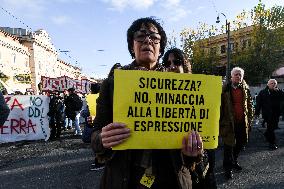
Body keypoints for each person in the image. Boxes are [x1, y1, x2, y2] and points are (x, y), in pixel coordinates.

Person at [91, 17, 203, 189]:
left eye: (154, 37)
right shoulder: (113, 83)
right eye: (141, 36)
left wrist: (192, 153)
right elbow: (95, 134)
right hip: (125, 179)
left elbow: (194, 135)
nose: (148, 41)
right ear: (131, 45)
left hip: (171, 177)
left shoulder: (179, 85)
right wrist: (102, 139)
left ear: (160, 47)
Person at [162, 47, 217, 189]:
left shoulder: (201, 92)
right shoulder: (158, 95)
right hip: (168, 166)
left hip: (194, 165)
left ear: (185, 65)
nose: (172, 66)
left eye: (177, 62)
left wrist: (198, 155)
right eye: (167, 64)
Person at [219, 67, 254, 179]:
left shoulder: (245, 88)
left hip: (242, 122)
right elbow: (219, 107)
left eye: (240, 75)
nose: (238, 76)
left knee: (240, 144)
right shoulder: (224, 89)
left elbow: (250, 104)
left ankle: (234, 161)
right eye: (236, 74)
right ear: (231, 76)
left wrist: (250, 118)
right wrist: (220, 122)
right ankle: (227, 168)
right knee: (228, 147)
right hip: (229, 123)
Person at [255, 79, 284, 150]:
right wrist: (257, 113)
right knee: (271, 128)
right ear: (268, 84)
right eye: (271, 83)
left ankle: (267, 134)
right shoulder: (263, 92)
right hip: (267, 113)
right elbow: (258, 104)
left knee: (273, 127)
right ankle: (272, 143)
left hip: (276, 114)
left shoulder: (279, 91)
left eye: (274, 83)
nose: (273, 84)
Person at [81, 83, 104, 171]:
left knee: (97, 145)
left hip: (94, 126)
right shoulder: (102, 98)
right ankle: (98, 161)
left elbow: (85, 113)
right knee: (99, 144)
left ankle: (100, 162)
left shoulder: (92, 99)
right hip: (99, 125)